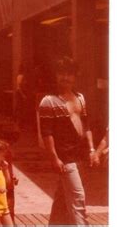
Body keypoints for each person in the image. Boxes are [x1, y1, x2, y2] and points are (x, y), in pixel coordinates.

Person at [38, 57, 95, 225]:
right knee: (78, 200)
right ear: (56, 76)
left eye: (69, 74)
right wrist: (54, 157)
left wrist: (92, 150)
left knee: (62, 199)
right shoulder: (48, 101)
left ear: (75, 76)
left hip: (81, 156)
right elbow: (46, 133)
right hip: (65, 158)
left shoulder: (80, 98)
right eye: (62, 74)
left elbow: (86, 125)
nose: (66, 78)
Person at [0, 124, 20, 223]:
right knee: (7, 213)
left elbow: (8, 168)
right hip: (4, 187)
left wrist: (12, 176)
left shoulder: (2, 151)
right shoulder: (2, 152)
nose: (9, 144)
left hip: (4, 186)